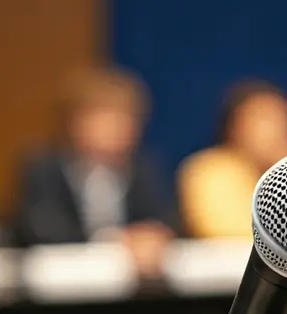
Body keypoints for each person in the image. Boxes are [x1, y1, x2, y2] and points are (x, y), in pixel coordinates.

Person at [13, 67, 177, 275]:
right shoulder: (43, 169)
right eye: (106, 120)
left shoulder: (144, 168)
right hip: (63, 278)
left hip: (131, 281)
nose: (116, 130)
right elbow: (42, 230)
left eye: (125, 120)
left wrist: (153, 237)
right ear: (75, 123)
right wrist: (112, 241)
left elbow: (161, 220)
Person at [178, 80, 287, 238]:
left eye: (285, 119)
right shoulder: (207, 170)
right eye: (265, 120)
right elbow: (225, 230)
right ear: (233, 127)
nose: (278, 130)